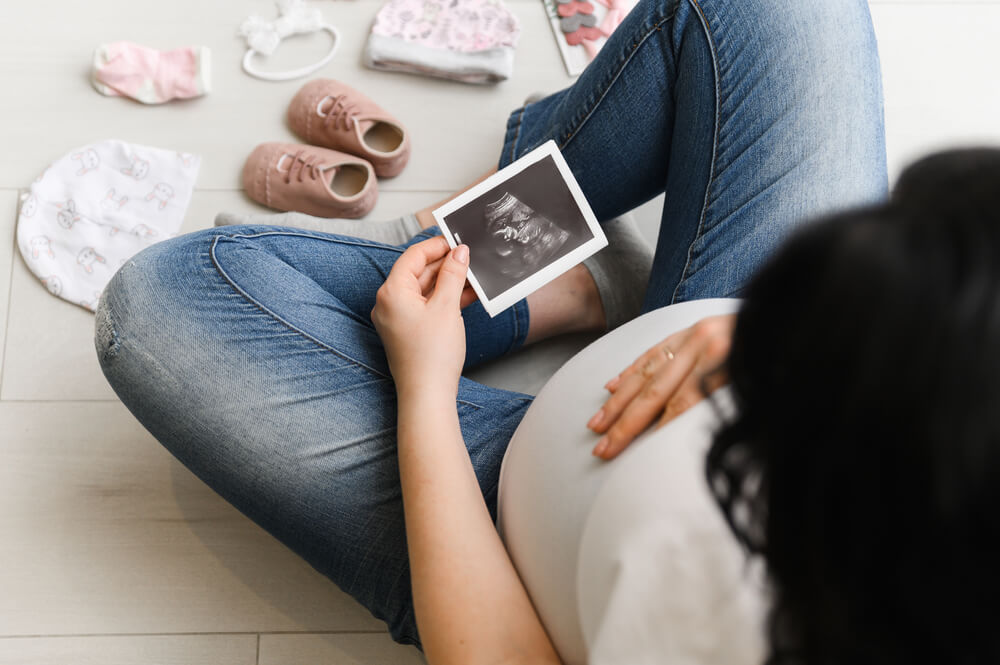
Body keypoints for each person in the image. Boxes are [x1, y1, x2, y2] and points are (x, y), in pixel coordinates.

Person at [95, 0, 888, 662]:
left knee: (155, 304)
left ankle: (530, 285)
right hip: (730, 358)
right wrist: (781, 343)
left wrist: (426, 394)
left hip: (507, 541)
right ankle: (517, 258)